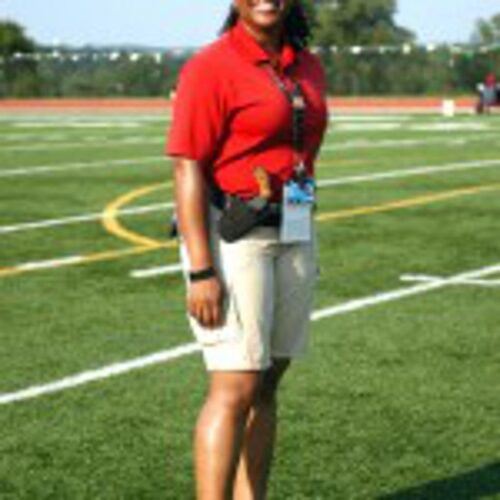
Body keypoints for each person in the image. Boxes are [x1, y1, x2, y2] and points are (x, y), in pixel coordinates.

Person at [167, 1, 327, 498]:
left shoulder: (308, 65)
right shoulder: (210, 66)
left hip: (294, 228)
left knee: (266, 385)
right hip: (235, 236)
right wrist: (200, 270)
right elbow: (187, 167)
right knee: (234, 386)